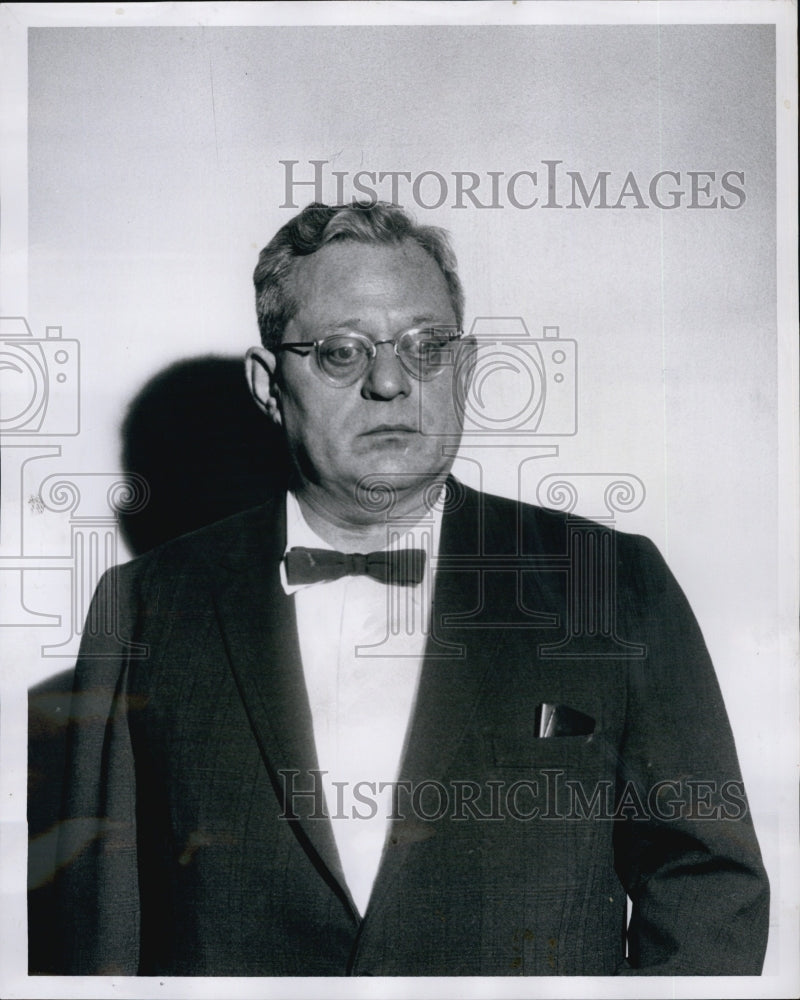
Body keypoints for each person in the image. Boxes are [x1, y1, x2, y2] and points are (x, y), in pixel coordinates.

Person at [54, 201, 769, 976]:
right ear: (267, 384)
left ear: (462, 365)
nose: (391, 381)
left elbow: (707, 888)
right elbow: (99, 933)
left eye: (427, 347)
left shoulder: (612, 582)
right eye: (340, 352)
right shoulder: (144, 606)